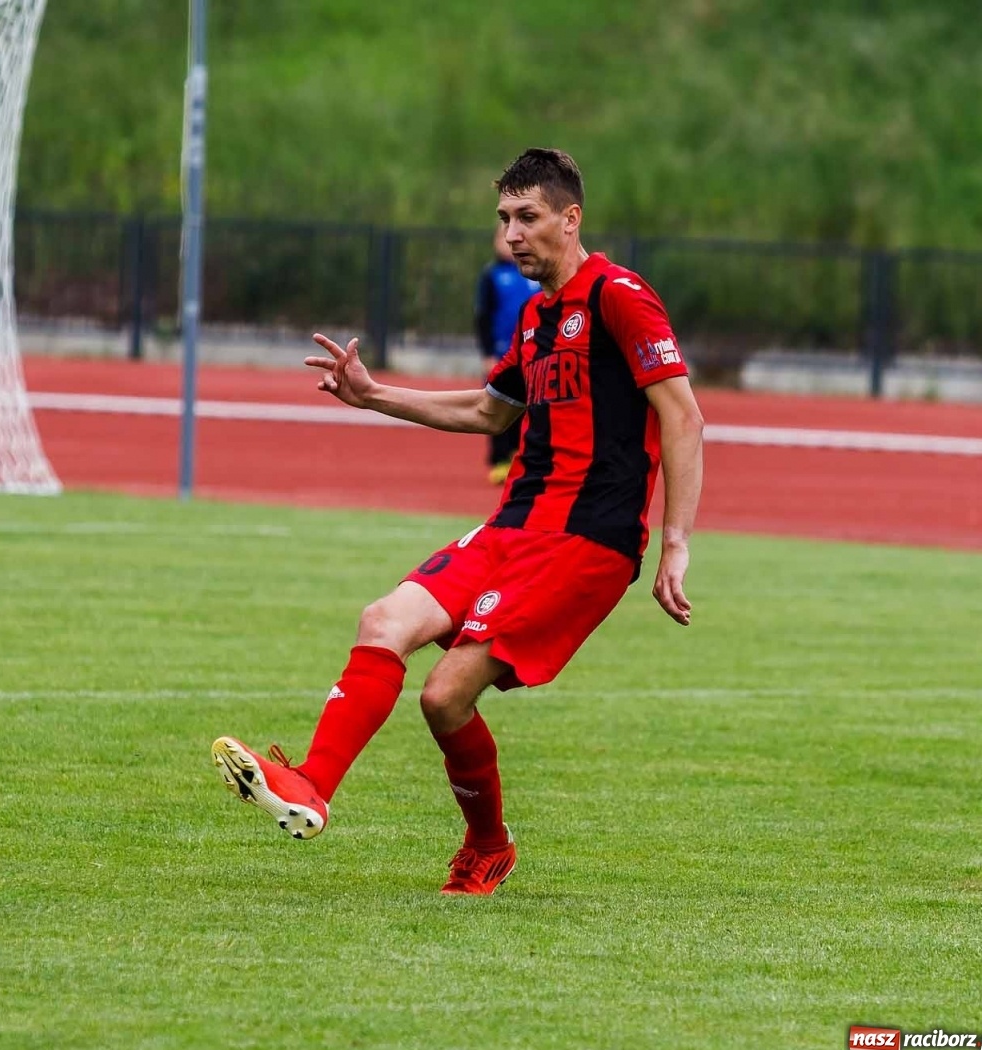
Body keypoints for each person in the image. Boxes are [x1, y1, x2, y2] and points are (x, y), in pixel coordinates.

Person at [211, 148, 704, 894]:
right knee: (382, 620)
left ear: (571, 220)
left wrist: (674, 541)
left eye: (528, 217)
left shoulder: (620, 295)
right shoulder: (537, 317)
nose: (512, 234)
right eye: (504, 218)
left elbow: (683, 414)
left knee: (443, 696)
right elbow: (486, 409)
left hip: (587, 540)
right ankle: (311, 785)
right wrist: (373, 396)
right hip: (512, 525)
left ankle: (487, 844)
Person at [475, 222, 540, 484]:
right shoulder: (492, 275)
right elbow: (482, 317)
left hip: (532, 352)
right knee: (498, 405)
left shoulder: (534, 275)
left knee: (531, 407)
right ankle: (500, 459)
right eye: (501, 237)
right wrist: (488, 353)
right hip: (502, 352)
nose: (508, 241)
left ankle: (519, 456)